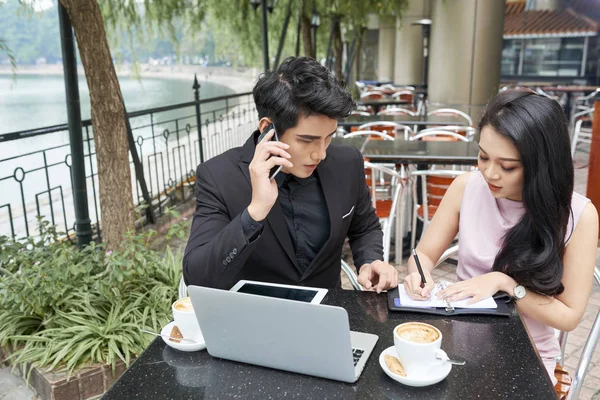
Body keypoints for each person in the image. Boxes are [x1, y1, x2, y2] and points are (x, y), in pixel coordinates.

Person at [403, 90, 598, 383]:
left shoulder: (578, 215)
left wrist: (505, 284)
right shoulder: (466, 187)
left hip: (527, 355)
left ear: (541, 164)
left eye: (507, 166)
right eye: (483, 157)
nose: (490, 174)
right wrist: (419, 273)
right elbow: (424, 255)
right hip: (457, 340)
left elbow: (569, 317)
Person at [183, 56, 398, 292]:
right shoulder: (219, 176)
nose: (320, 154)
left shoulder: (346, 163)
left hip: (327, 315)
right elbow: (198, 277)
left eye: (329, 137)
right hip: (253, 319)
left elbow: (364, 228)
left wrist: (370, 261)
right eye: (307, 140)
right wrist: (254, 213)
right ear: (268, 129)